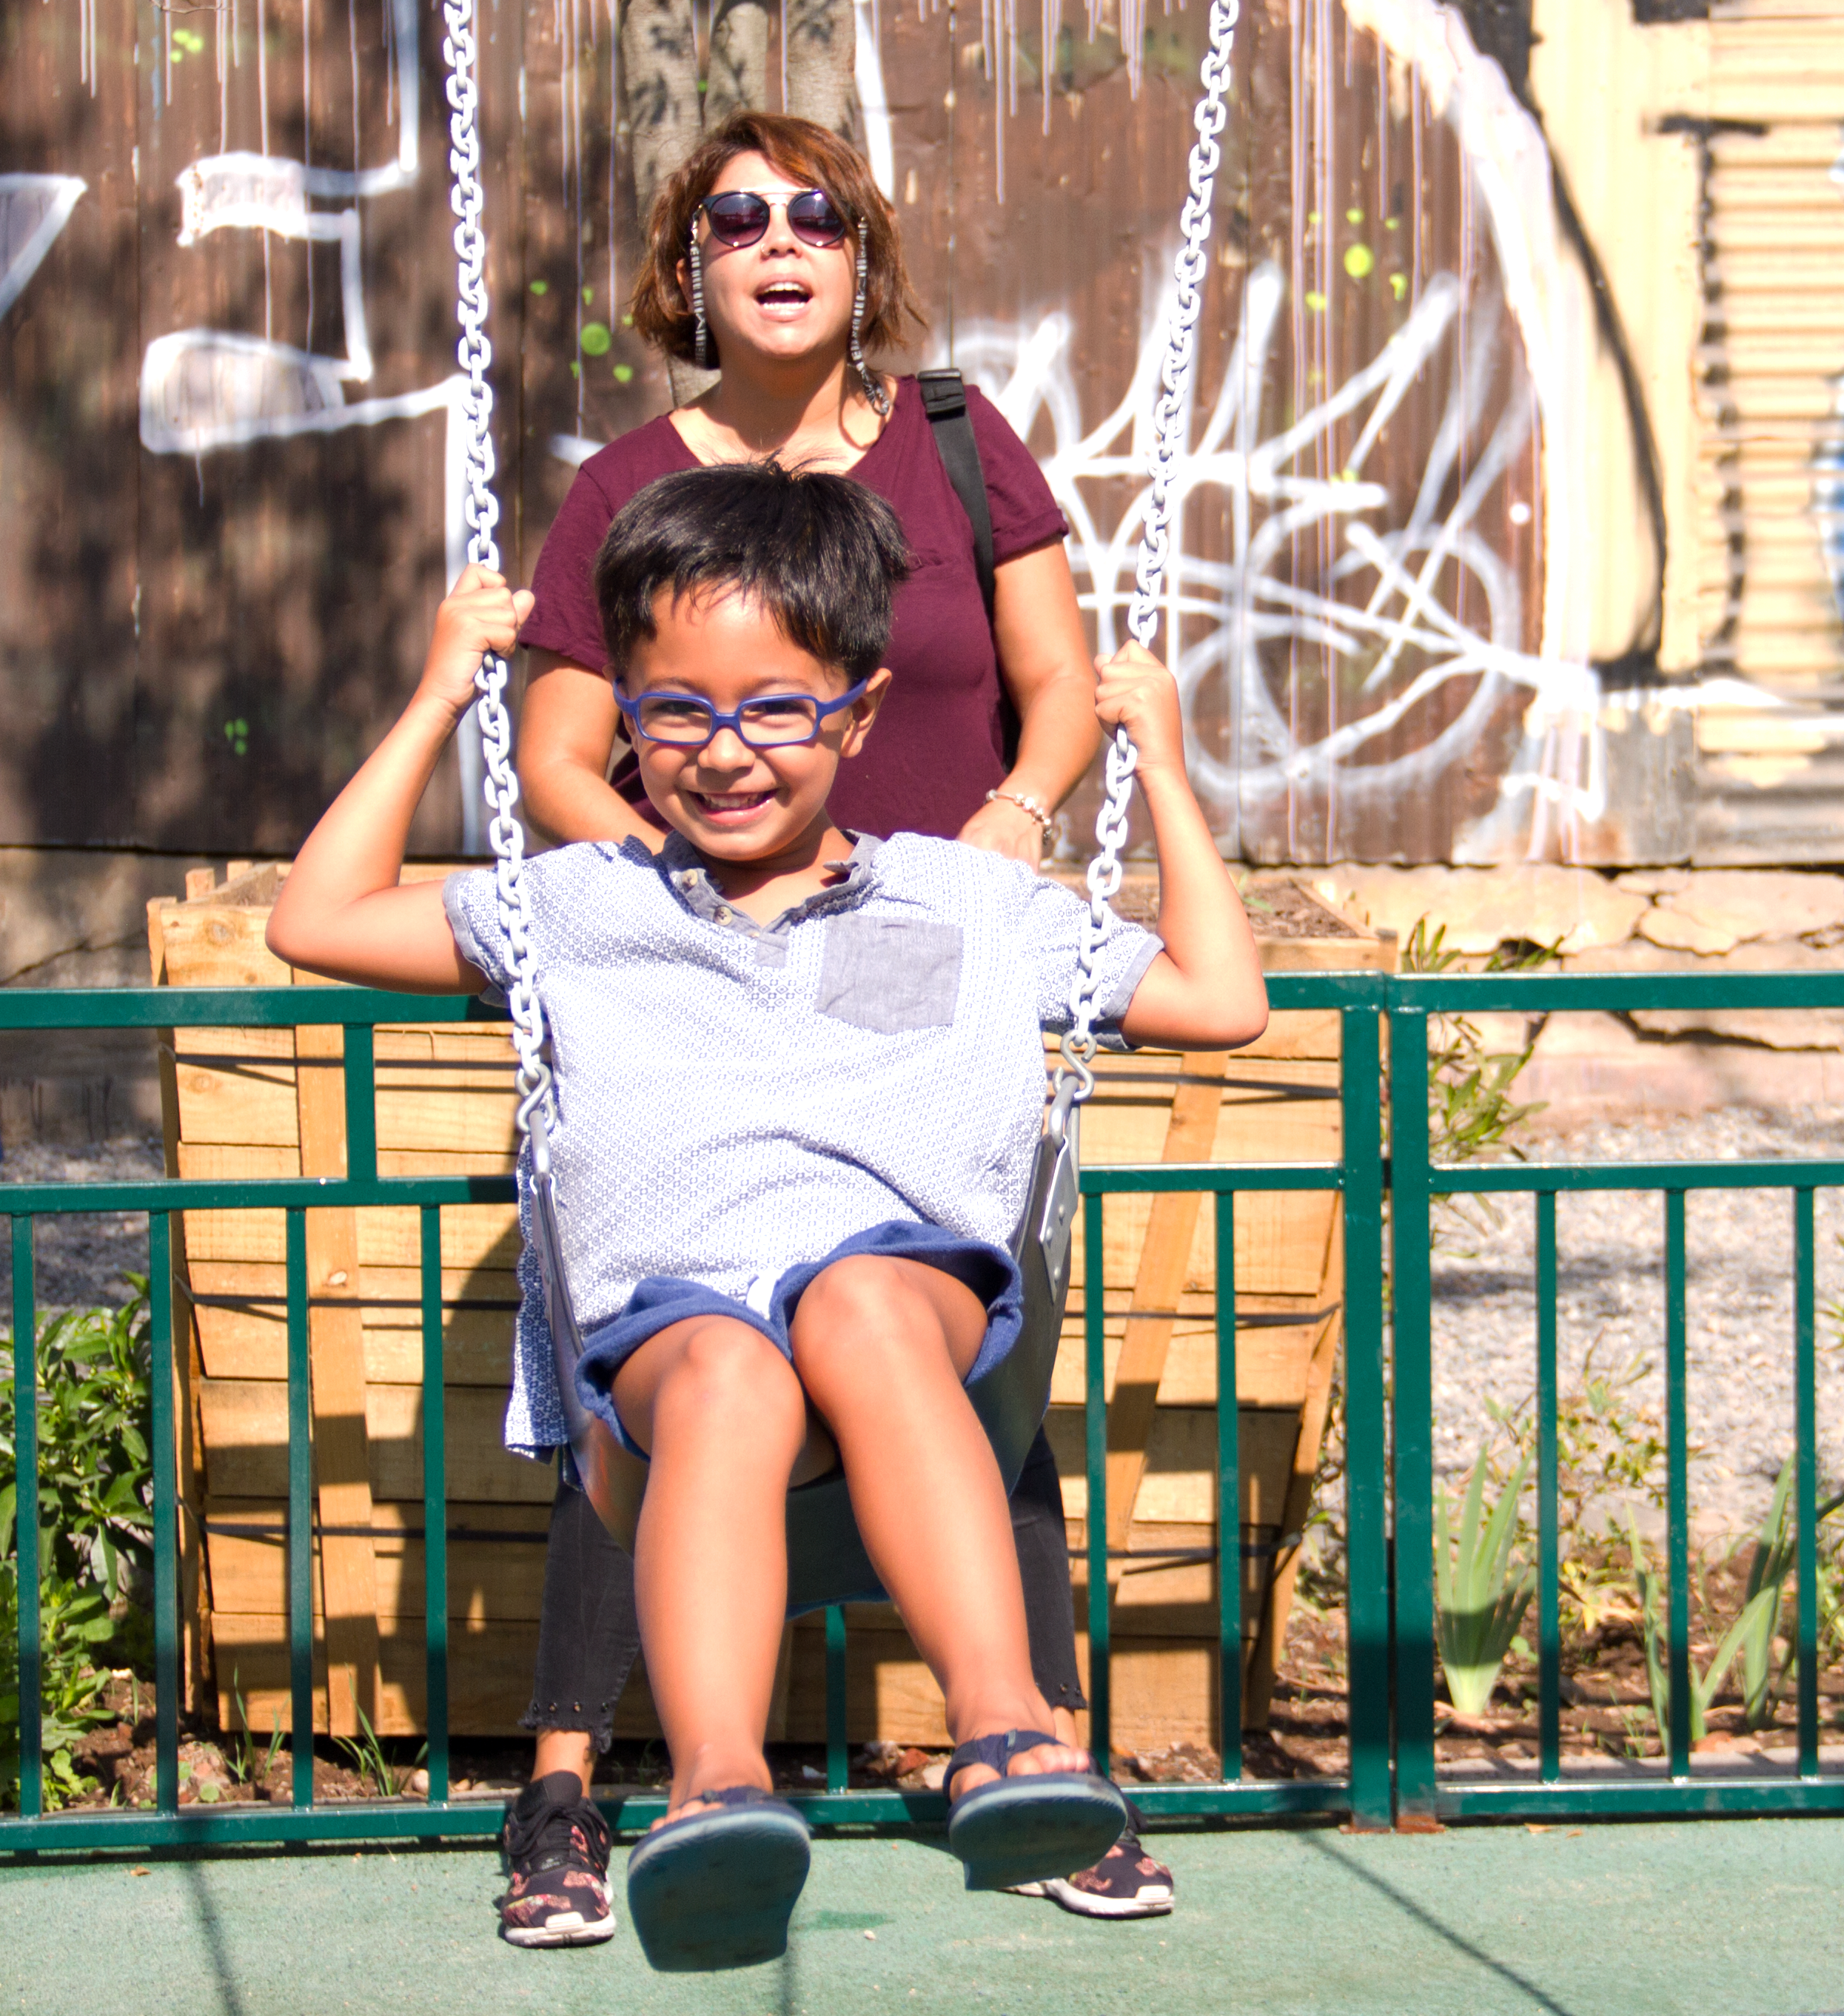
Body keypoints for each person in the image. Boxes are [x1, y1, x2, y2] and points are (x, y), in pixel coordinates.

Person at [264, 462, 1265, 1971]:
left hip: (905, 1309)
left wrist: (1165, 773)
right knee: (733, 1368)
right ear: (629, 722)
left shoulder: (965, 904)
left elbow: (1222, 1002)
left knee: (853, 1304)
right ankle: (715, 1791)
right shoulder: (581, 905)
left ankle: (1009, 1735)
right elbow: (315, 919)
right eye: (676, 710)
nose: (725, 755)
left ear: (856, 713)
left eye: (776, 708)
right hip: (681, 1338)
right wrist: (433, 700)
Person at [490, 109, 1179, 1946]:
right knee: (674, 1317)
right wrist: (706, 873)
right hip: (717, 940)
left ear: (860, 254)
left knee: (926, 1320)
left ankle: (1033, 1755)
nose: (780, 243)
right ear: (689, 265)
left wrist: (1001, 846)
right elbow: (563, 751)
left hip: (926, 927)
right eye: (738, 218)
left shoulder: (954, 445)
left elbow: (1057, 694)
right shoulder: (629, 483)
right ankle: (569, 1786)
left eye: (819, 216)